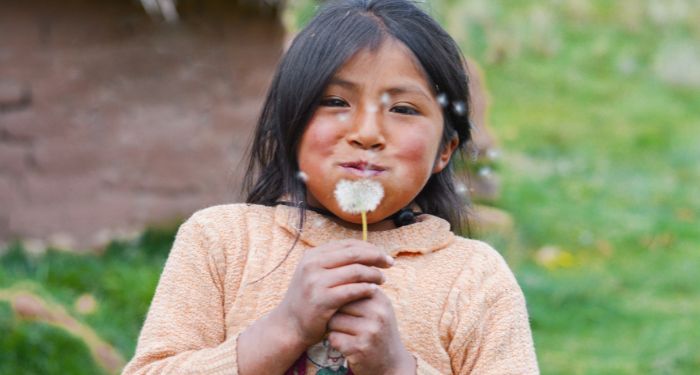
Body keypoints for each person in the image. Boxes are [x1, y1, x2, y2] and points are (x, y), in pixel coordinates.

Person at [123, 0, 538, 373]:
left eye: (404, 109)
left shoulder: (474, 278)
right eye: (336, 102)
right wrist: (286, 328)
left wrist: (395, 367)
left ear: (445, 150)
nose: (367, 132)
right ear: (291, 125)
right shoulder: (221, 243)